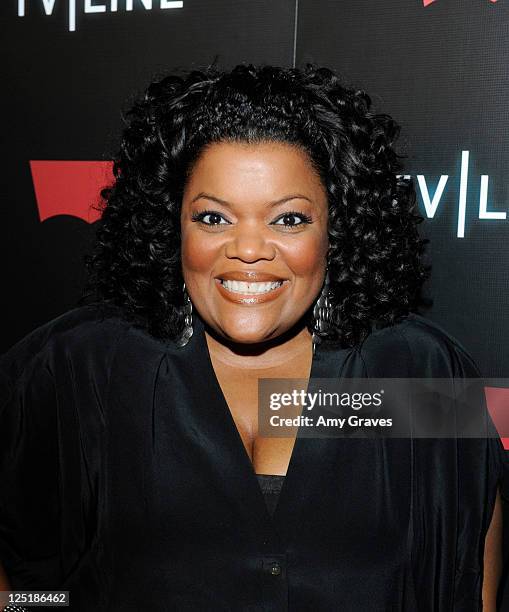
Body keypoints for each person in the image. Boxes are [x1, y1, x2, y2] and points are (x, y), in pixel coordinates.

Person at [0, 63, 506, 611]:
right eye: (213, 218)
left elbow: (468, 574)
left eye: (287, 220)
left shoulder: (413, 369)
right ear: (172, 224)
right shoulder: (90, 364)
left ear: (337, 229)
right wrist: (38, 606)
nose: (248, 249)